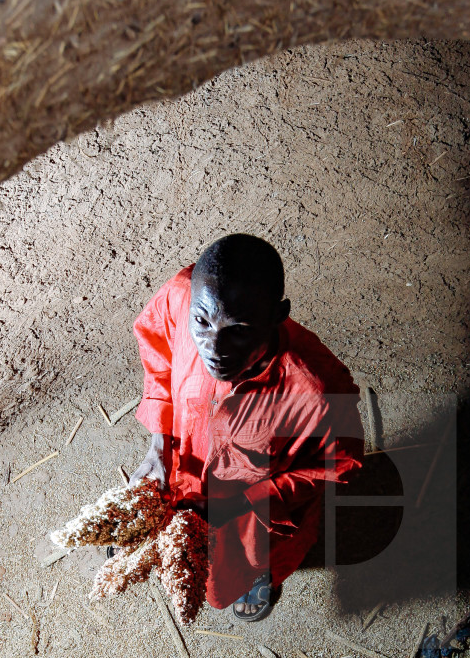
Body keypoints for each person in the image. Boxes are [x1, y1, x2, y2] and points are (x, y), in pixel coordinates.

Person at [130, 234, 363, 621]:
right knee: (187, 545)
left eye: (238, 330)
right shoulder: (181, 296)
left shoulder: (318, 389)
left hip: (254, 513)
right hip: (187, 477)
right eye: (201, 323)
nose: (214, 349)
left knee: (252, 557)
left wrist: (242, 503)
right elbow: (159, 356)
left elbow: (340, 464)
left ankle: (261, 578)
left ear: (278, 314)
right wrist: (159, 446)